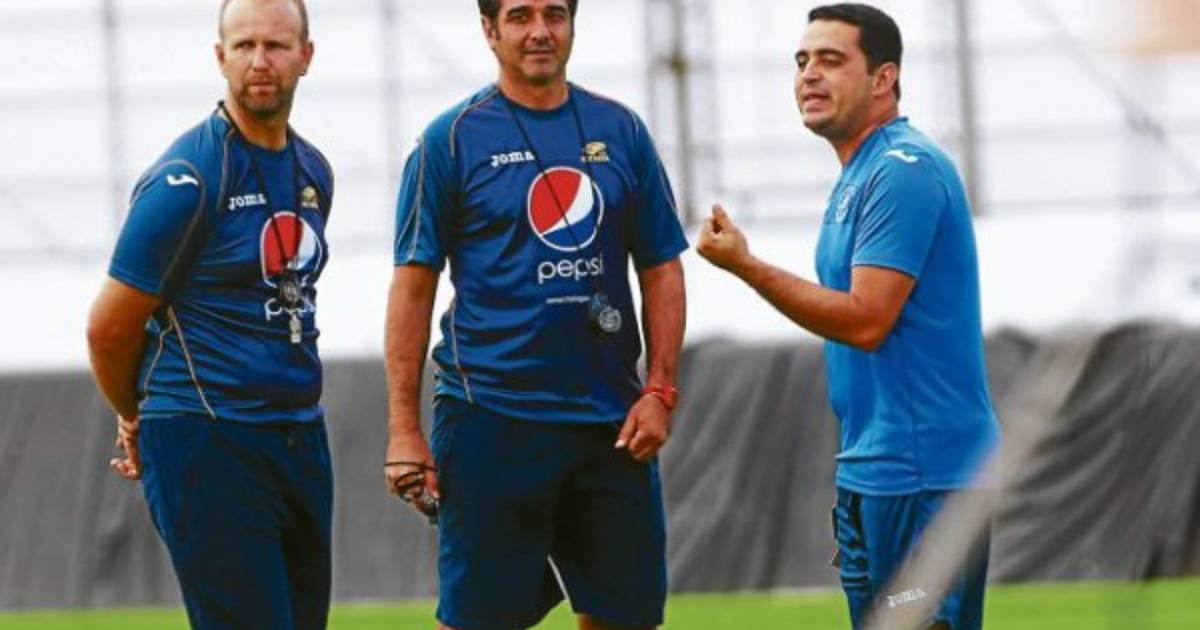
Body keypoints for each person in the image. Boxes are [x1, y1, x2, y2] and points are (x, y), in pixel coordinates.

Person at [383, 1, 688, 628]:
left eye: (555, 14)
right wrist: (403, 430)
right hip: (491, 418)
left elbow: (661, 267)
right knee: (479, 619)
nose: (541, 31)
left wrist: (659, 388)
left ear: (574, 24)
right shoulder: (450, 140)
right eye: (520, 16)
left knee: (627, 618)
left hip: (610, 423)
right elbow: (412, 291)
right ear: (490, 30)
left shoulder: (622, 130)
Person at [697, 4, 1000, 629]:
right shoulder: (858, 175)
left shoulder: (903, 170)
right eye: (802, 60)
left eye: (831, 60)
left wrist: (746, 266)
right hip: (873, 470)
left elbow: (866, 321)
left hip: (924, 471)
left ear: (884, 78)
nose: (809, 74)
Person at [85, 0, 334, 627]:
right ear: (220, 57)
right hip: (208, 433)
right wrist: (134, 412)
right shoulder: (188, 179)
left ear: (306, 56)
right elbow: (108, 326)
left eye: (276, 46)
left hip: (298, 434)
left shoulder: (313, 171)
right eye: (244, 46)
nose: (260, 61)